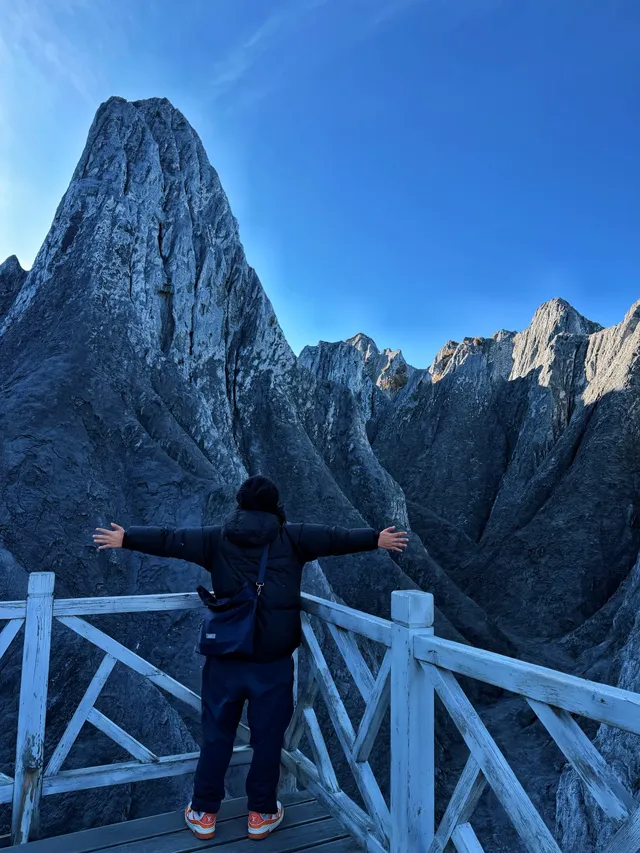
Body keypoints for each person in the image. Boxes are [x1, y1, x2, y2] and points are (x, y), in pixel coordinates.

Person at [93, 475, 408, 841]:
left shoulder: (216, 537)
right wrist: (376, 538)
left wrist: (127, 537)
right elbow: (336, 538)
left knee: (217, 734)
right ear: (276, 506)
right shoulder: (293, 537)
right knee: (268, 738)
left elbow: (170, 539)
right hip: (272, 664)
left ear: (240, 504)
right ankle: (261, 814)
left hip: (226, 659)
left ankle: (203, 813)